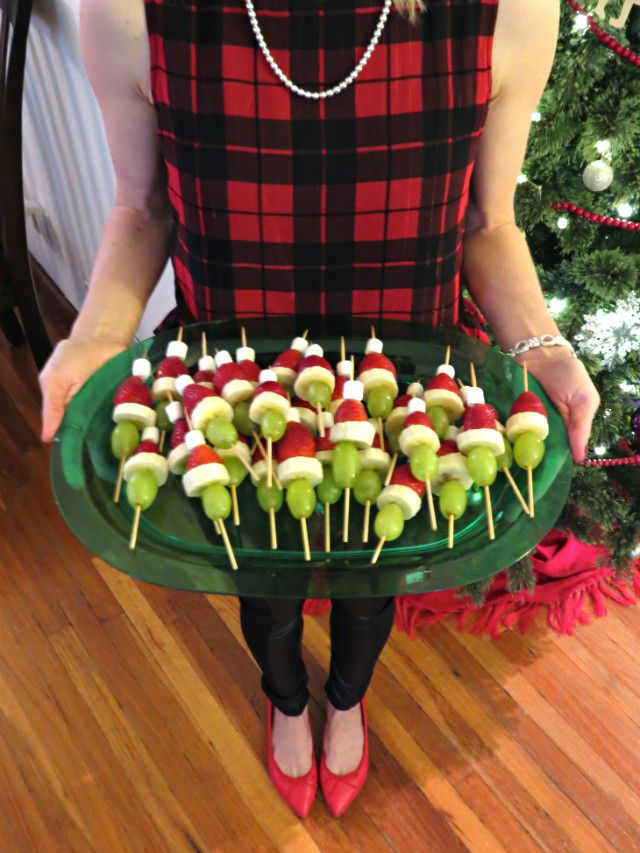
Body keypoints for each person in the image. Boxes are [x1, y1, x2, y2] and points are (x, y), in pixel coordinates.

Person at [39, 0, 600, 819]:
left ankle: (346, 695)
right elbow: (144, 207)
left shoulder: (511, 7)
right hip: (232, 399)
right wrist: (94, 338)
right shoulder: (129, 8)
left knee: (370, 585)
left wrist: (543, 349)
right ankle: (287, 698)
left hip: (405, 403)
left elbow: (487, 221)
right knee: (262, 585)